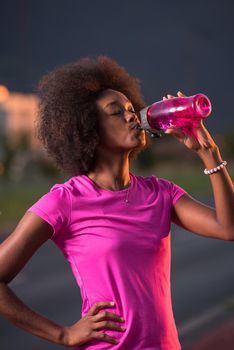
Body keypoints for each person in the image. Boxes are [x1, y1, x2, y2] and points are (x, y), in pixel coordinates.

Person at [0, 56, 233, 350]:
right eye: (116, 113)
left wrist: (208, 152)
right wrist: (63, 334)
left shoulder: (160, 193)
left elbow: (228, 228)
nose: (132, 116)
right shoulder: (66, 201)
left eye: (130, 109)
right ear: (89, 130)